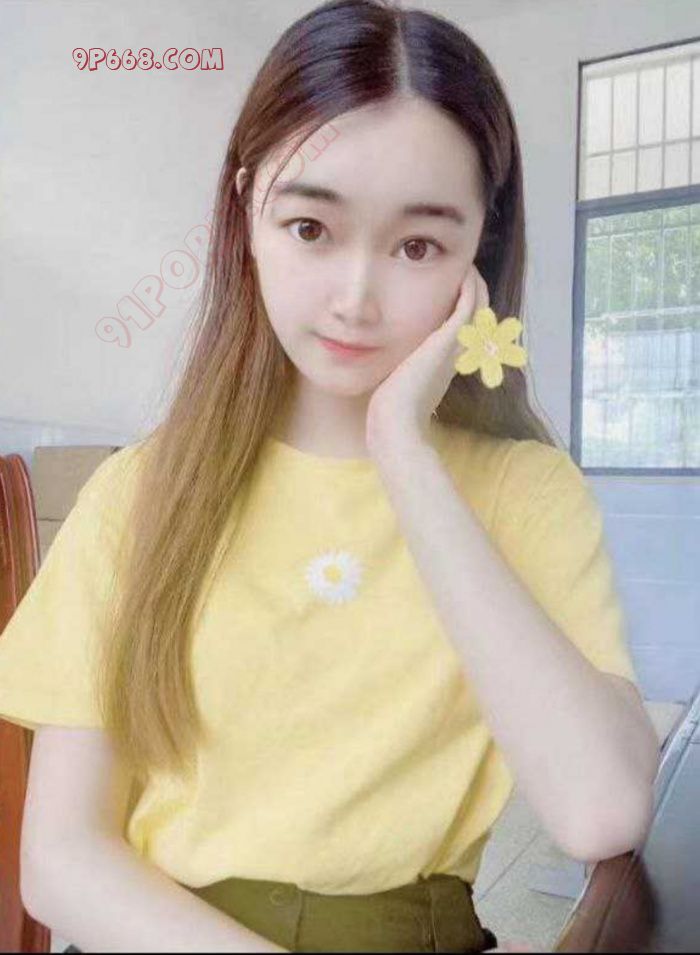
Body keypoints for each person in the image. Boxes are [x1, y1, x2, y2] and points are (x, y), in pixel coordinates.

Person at [0, 0, 659, 951]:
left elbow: (601, 809)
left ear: (480, 248)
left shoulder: (526, 492)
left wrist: (404, 451)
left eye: (418, 246)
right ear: (247, 213)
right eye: (311, 227)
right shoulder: (140, 493)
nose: (356, 298)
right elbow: (61, 856)